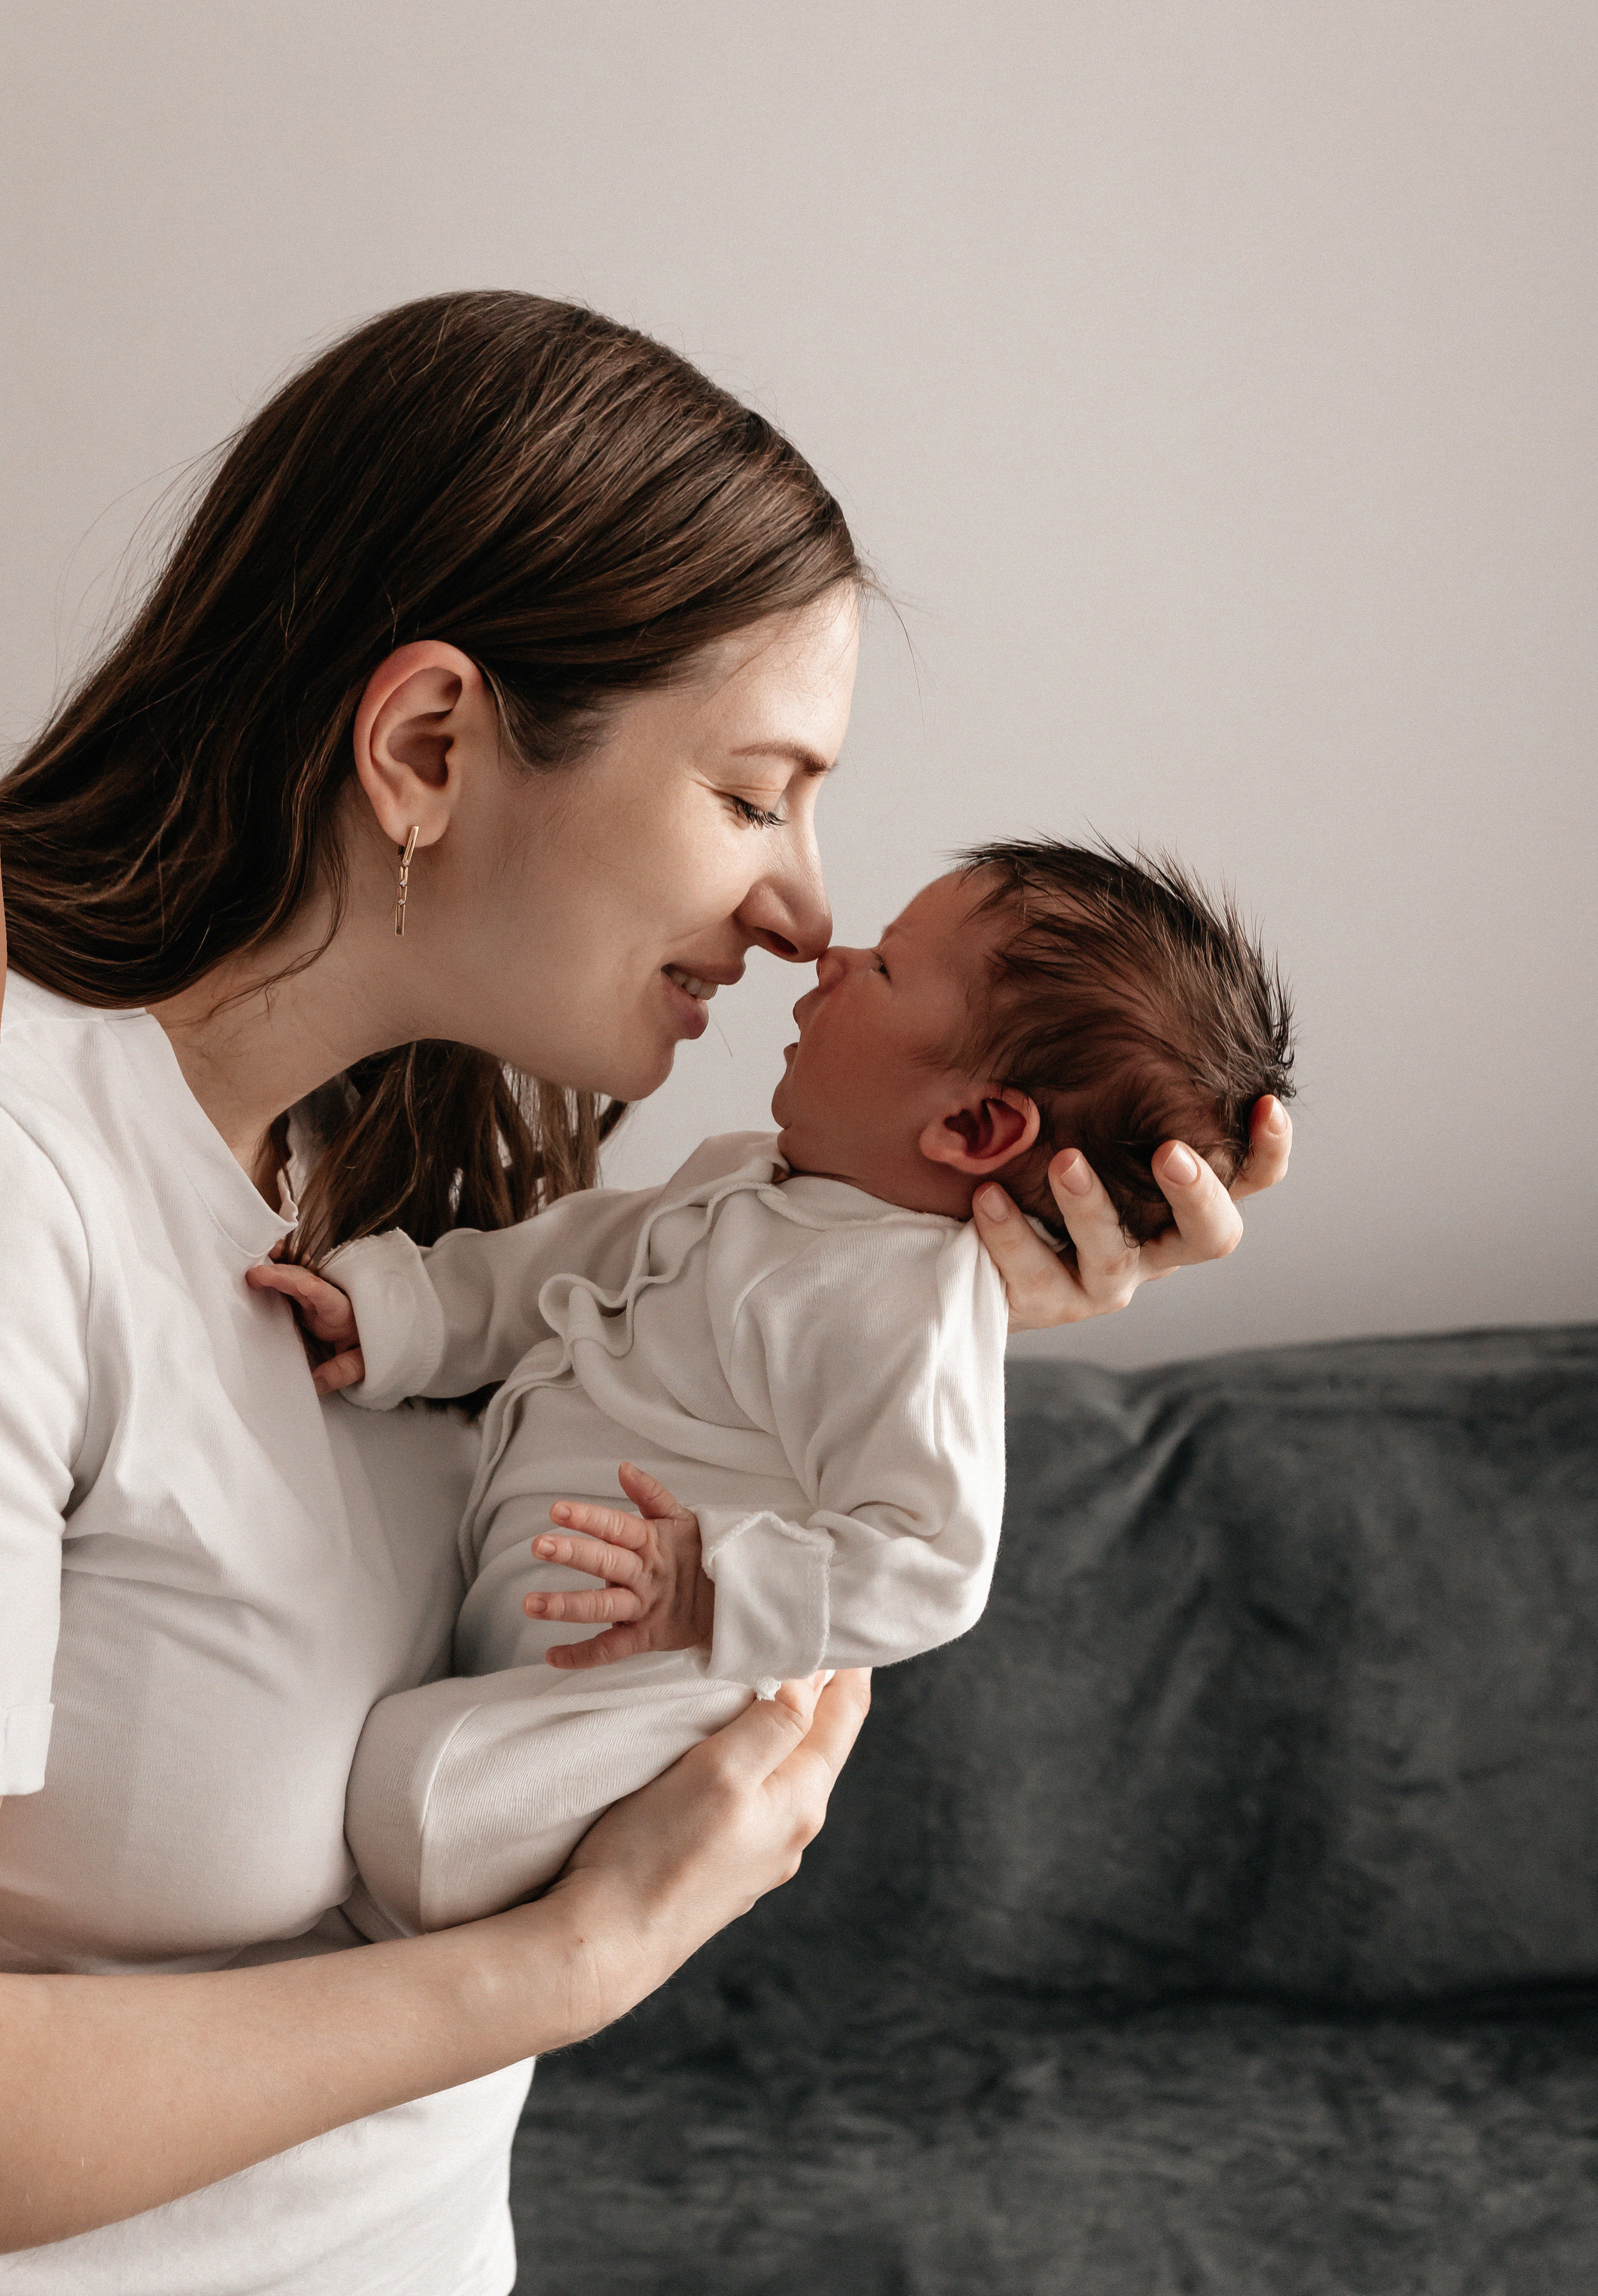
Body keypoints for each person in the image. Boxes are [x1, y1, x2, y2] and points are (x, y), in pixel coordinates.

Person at [0, 293, 1290, 2293]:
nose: (801, 915)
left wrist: (920, 1300)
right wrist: (564, 1964)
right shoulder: (22, 1184)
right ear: (431, 745)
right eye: (755, 793)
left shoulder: (380, 1162)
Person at [247, 839, 1295, 1935]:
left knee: (414, 1800)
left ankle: (420, 1923)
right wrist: (402, 1317)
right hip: (532, 1597)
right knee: (399, 1762)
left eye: (885, 967)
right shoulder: (753, 1177)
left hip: (658, 1671)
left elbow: (935, 1565)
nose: (830, 958)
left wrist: (716, 1588)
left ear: (974, 1128)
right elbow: (575, 1258)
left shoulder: (912, 1302)